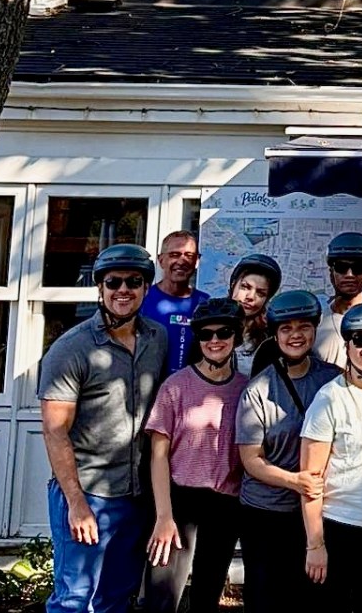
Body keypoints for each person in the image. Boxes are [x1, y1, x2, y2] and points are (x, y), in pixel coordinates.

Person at [39, 244, 167, 613]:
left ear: (145, 288)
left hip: (135, 493)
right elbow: (55, 431)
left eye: (134, 281)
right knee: (74, 598)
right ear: (100, 288)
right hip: (87, 491)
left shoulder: (156, 338)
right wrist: (76, 503)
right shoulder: (71, 349)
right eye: (113, 282)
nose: (123, 289)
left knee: (116, 596)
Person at [235, 289, 340, 613]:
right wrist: (295, 481)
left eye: (303, 327)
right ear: (275, 334)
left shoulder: (333, 380)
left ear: (314, 328)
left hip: (316, 513)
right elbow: (251, 459)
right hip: (266, 513)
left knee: (311, 598)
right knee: (266, 598)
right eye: (286, 328)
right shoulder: (259, 390)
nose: (296, 335)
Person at [144, 298, 249, 613]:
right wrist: (164, 516)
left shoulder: (247, 389)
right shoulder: (176, 387)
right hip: (180, 499)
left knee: (206, 596)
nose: (214, 340)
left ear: (236, 336)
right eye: (206, 334)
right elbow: (158, 455)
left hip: (226, 503)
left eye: (223, 332)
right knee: (162, 595)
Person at [300, 302, 362, 612]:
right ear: (347, 345)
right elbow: (310, 479)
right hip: (337, 526)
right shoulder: (329, 398)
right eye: (359, 339)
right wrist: (315, 545)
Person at [141, 230, 210, 374]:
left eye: (189, 256)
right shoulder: (143, 299)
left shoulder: (205, 304)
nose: (182, 261)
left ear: (197, 261)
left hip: (189, 390)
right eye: (174, 255)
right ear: (161, 260)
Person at [314, 232, 362, 367]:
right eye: (341, 268)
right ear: (331, 274)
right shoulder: (316, 324)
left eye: (358, 268)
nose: (349, 275)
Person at [227, 252, 281, 375]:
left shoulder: (271, 339)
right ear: (233, 285)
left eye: (260, 293)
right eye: (245, 287)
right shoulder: (210, 326)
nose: (250, 297)